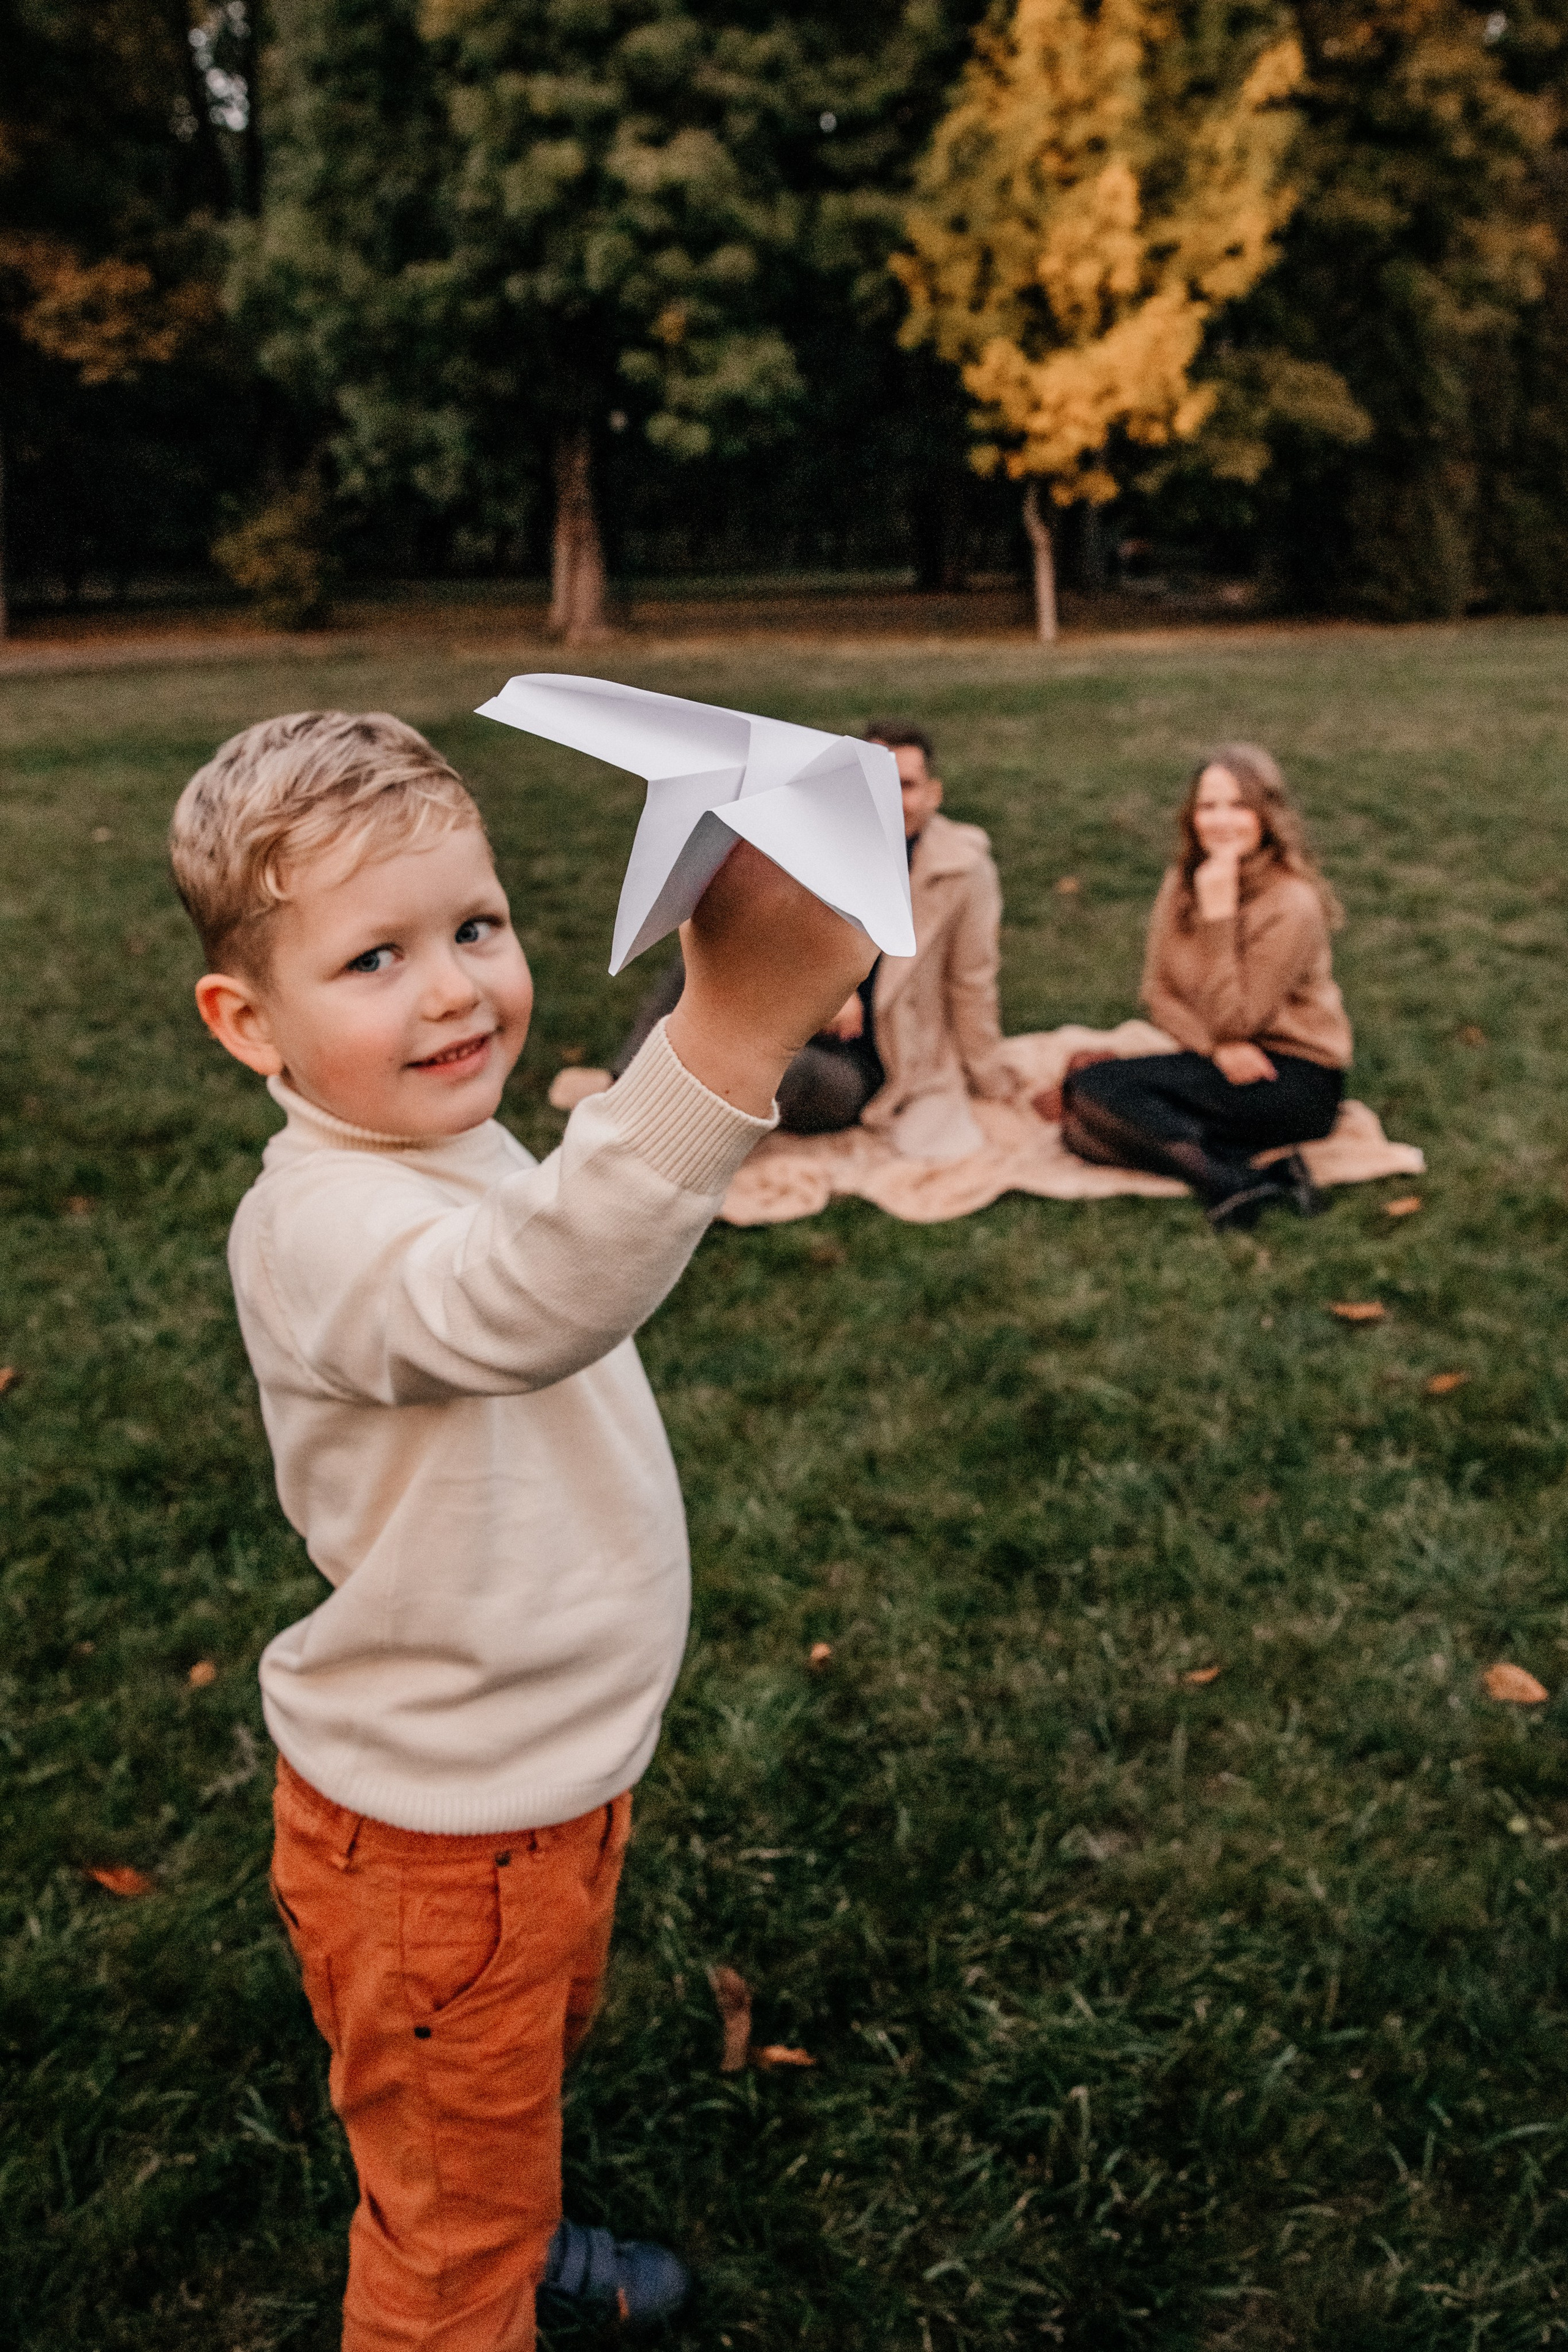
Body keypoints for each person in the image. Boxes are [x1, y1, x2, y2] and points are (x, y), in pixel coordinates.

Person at [168, 710, 875, 2352]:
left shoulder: (445, 1146)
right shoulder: (318, 1228)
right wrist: (726, 1038)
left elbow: (562, 1236)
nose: (453, 989)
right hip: (435, 1841)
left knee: (503, 2091)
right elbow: (526, 1295)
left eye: (475, 928)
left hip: (540, 1800)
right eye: (375, 959)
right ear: (244, 1022)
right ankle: (474, 2265)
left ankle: (509, 2210)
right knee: (438, 2246)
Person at [612, 720, 1017, 1159]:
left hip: (865, 1062)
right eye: (875, 784)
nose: (889, 800)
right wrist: (828, 996)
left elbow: (971, 981)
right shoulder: (815, 842)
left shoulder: (961, 869)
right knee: (697, 963)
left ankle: (652, 1127)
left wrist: (991, 1080)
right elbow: (749, 933)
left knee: (760, 1071)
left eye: (904, 786)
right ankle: (623, 1095)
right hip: (785, 1016)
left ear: (933, 794)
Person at [1060, 742, 1352, 1231]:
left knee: (1094, 1094)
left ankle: (1225, 1181)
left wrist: (1220, 916)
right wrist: (1215, 1050)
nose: (1222, 820)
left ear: (1266, 815)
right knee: (1080, 1130)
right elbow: (1157, 993)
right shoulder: (1181, 881)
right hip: (1221, 1061)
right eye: (1208, 806)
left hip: (1293, 1077)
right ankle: (1252, 1176)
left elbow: (1239, 1020)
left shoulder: (1291, 902)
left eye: (1239, 806)